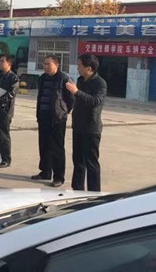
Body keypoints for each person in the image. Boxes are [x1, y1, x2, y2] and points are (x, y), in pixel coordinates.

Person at [66, 54, 107, 192]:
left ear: (89, 68)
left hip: (91, 129)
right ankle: (77, 189)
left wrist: (77, 92)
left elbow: (95, 101)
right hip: (78, 126)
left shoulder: (100, 83)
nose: (77, 68)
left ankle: (94, 192)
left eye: (80, 65)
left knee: (91, 163)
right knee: (78, 160)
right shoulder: (80, 80)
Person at [31, 55, 73, 187]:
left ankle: (59, 177)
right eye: (44, 64)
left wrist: (63, 112)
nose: (46, 66)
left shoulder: (63, 78)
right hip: (43, 116)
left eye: (49, 64)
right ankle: (45, 171)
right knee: (44, 145)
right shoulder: (42, 78)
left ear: (57, 65)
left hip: (57, 119)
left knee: (57, 148)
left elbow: (70, 99)